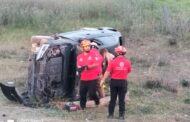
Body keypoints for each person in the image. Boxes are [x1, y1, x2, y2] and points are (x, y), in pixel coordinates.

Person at [100, 46, 131, 120]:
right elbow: (128, 71)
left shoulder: (112, 62)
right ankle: (121, 116)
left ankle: (110, 115)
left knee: (113, 99)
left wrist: (103, 80)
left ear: (118, 53)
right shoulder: (128, 62)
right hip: (123, 82)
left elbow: (107, 72)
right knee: (121, 100)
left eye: (116, 52)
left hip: (114, 82)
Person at [77, 39, 100, 109]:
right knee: (82, 93)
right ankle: (82, 107)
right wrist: (79, 68)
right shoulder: (79, 57)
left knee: (92, 93)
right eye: (86, 46)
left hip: (92, 78)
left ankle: (97, 100)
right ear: (82, 48)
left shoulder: (94, 54)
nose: (87, 47)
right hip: (83, 78)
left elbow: (96, 64)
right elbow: (78, 65)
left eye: (88, 46)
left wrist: (87, 67)